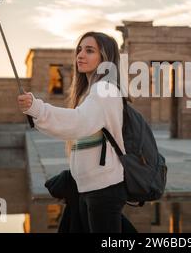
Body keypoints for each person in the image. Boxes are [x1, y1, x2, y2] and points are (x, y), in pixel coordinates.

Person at [17, 31, 131, 233]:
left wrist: (38, 108)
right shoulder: (89, 92)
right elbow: (74, 130)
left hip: (103, 188)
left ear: (105, 57)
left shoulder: (105, 90)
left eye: (89, 50)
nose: (80, 55)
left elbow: (78, 122)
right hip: (87, 186)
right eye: (79, 50)